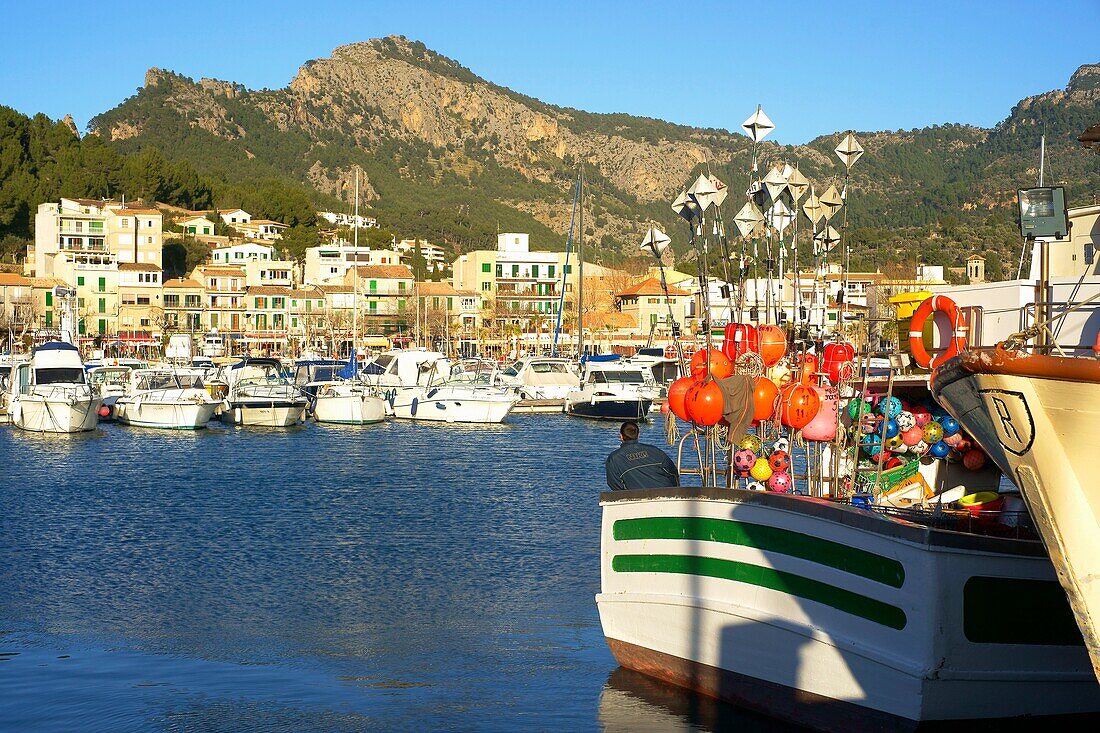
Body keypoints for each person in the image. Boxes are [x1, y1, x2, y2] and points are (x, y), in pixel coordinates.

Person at [605, 421, 680, 491]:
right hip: (667, 495)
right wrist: (675, 491)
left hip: (637, 499)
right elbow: (673, 473)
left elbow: (615, 485)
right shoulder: (655, 451)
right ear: (638, 435)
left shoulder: (614, 458)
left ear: (621, 436)